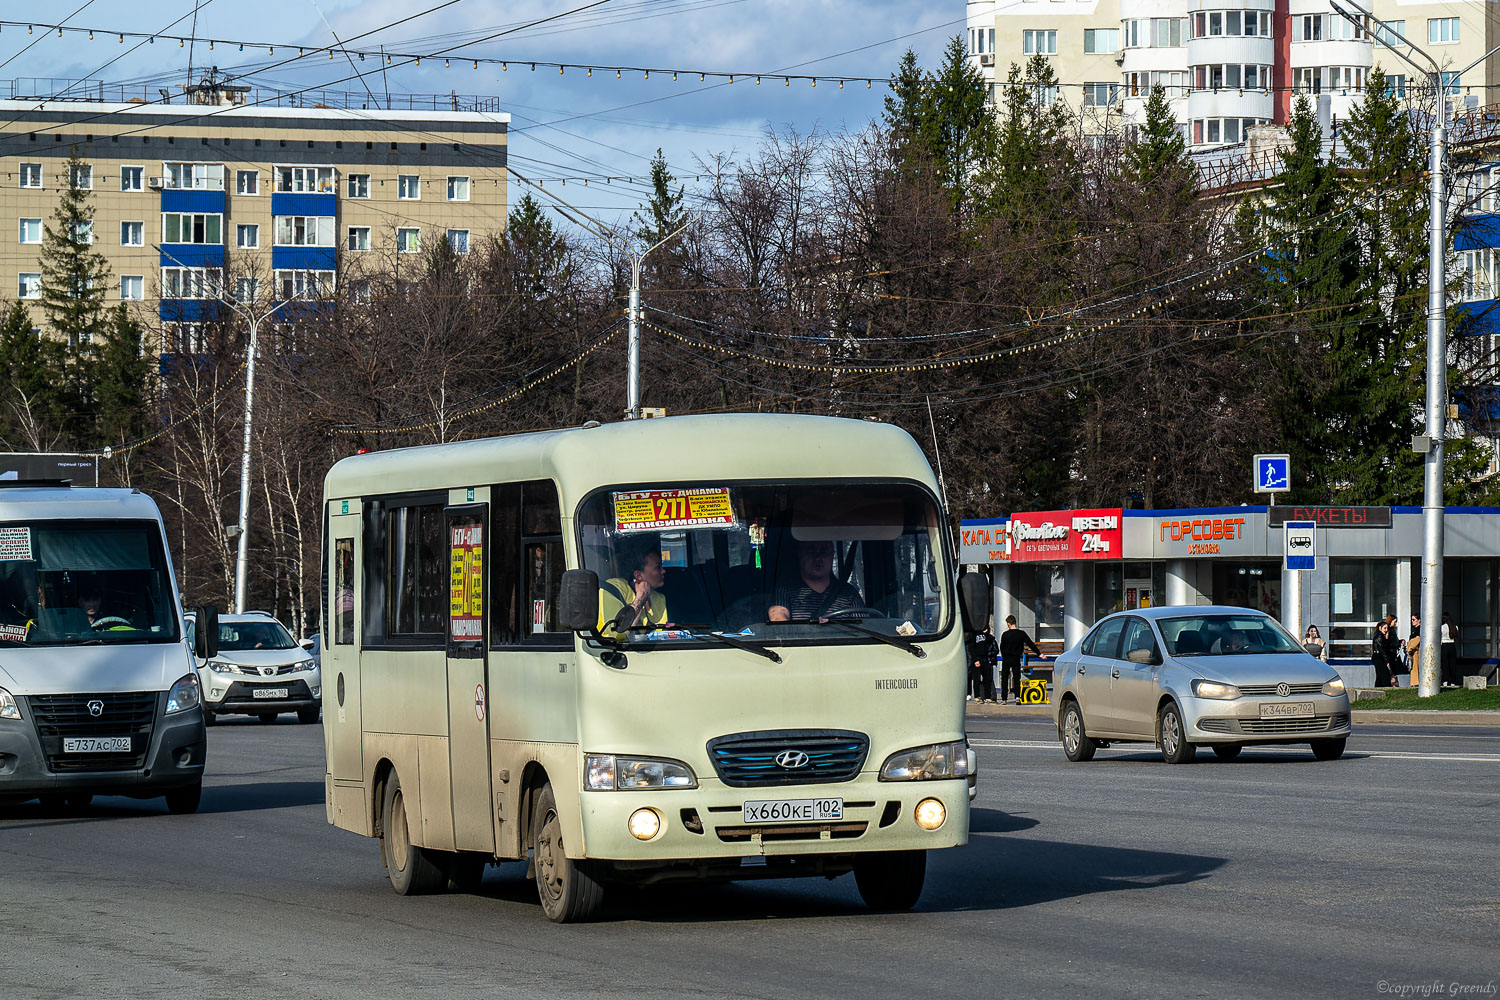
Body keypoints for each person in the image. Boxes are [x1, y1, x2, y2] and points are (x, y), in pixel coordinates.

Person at [768, 539, 864, 622]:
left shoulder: (848, 593)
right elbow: (778, 616)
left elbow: (866, 626)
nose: (818, 558)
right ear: (800, 555)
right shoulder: (785, 590)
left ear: (832, 555)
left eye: (824, 551)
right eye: (811, 551)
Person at [598, 544, 669, 635]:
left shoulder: (659, 598)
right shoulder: (614, 590)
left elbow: (662, 634)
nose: (663, 571)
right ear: (638, 575)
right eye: (658, 567)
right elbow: (619, 635)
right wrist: (640, 598)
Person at [997, 615, 1042, 704]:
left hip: (1006, 658)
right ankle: (1017, 696)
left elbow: (1002, 647)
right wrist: (1039, 653)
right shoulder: (1021, 633)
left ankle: (1004, 699)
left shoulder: (1005, 634)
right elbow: (1030, 644)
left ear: (1009, 624)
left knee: (1005, 678)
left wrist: (1004, 655)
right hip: (1016, 658)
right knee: (1016, 678)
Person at [965, 625, 997, 703]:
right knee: (977, 679)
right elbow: (971, 648)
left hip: (985, 659)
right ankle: (977, 696)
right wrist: (975, 659)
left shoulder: (987, 636)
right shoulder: (973, 635)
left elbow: (992, 640)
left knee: (987, 679)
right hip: (977, 659)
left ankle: (987, 697)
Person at [1371, 620, 1396, 688]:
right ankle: (1386, 686)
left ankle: (1378, 686)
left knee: (1379, 674)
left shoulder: (1380, 636)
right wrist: (1387, 661)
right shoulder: (1379, 637)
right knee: (1384, 673)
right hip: (1379, 657)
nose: (1386, 630)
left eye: (1387, 628)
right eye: (1384, 628)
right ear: (1380, 628)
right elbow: (1382, 650)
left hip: (1378, 657)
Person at [1441, 612, 1460, 687]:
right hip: (1452, 645)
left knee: (1445, 664)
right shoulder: (1455, 627)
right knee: (1452, 664)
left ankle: (1445, 680)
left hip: (1444, 645)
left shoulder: (1442, 627)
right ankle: (1453, 681)